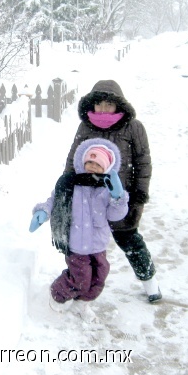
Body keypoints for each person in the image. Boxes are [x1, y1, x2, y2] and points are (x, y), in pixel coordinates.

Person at [64, 79, 161, 302]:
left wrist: (139, 193)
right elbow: (73, 158)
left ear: (119, 105)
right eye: (99, 104)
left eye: (109, 104)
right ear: (92, 105)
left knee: (130, 240)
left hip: (120, 198)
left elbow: (143, 162)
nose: (103, 109)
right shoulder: (85, 126)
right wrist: (67, 187)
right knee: (82, 244)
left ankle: (150, 282)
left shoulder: (133, 127)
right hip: (88, 199)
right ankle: (78, 285)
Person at [29, 138, 129, 317]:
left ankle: (82, 303)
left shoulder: (108, 189)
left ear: (106, 167)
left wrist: (118, 198)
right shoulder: (71, 183)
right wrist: (43, 212)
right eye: (89, 162)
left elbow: (116, 215)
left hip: (98, 244)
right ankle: (56, 295)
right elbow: (54, 200)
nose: (92, 166)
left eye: (97, 164)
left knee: (99, 277)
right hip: (77, 243)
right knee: (81, 277)